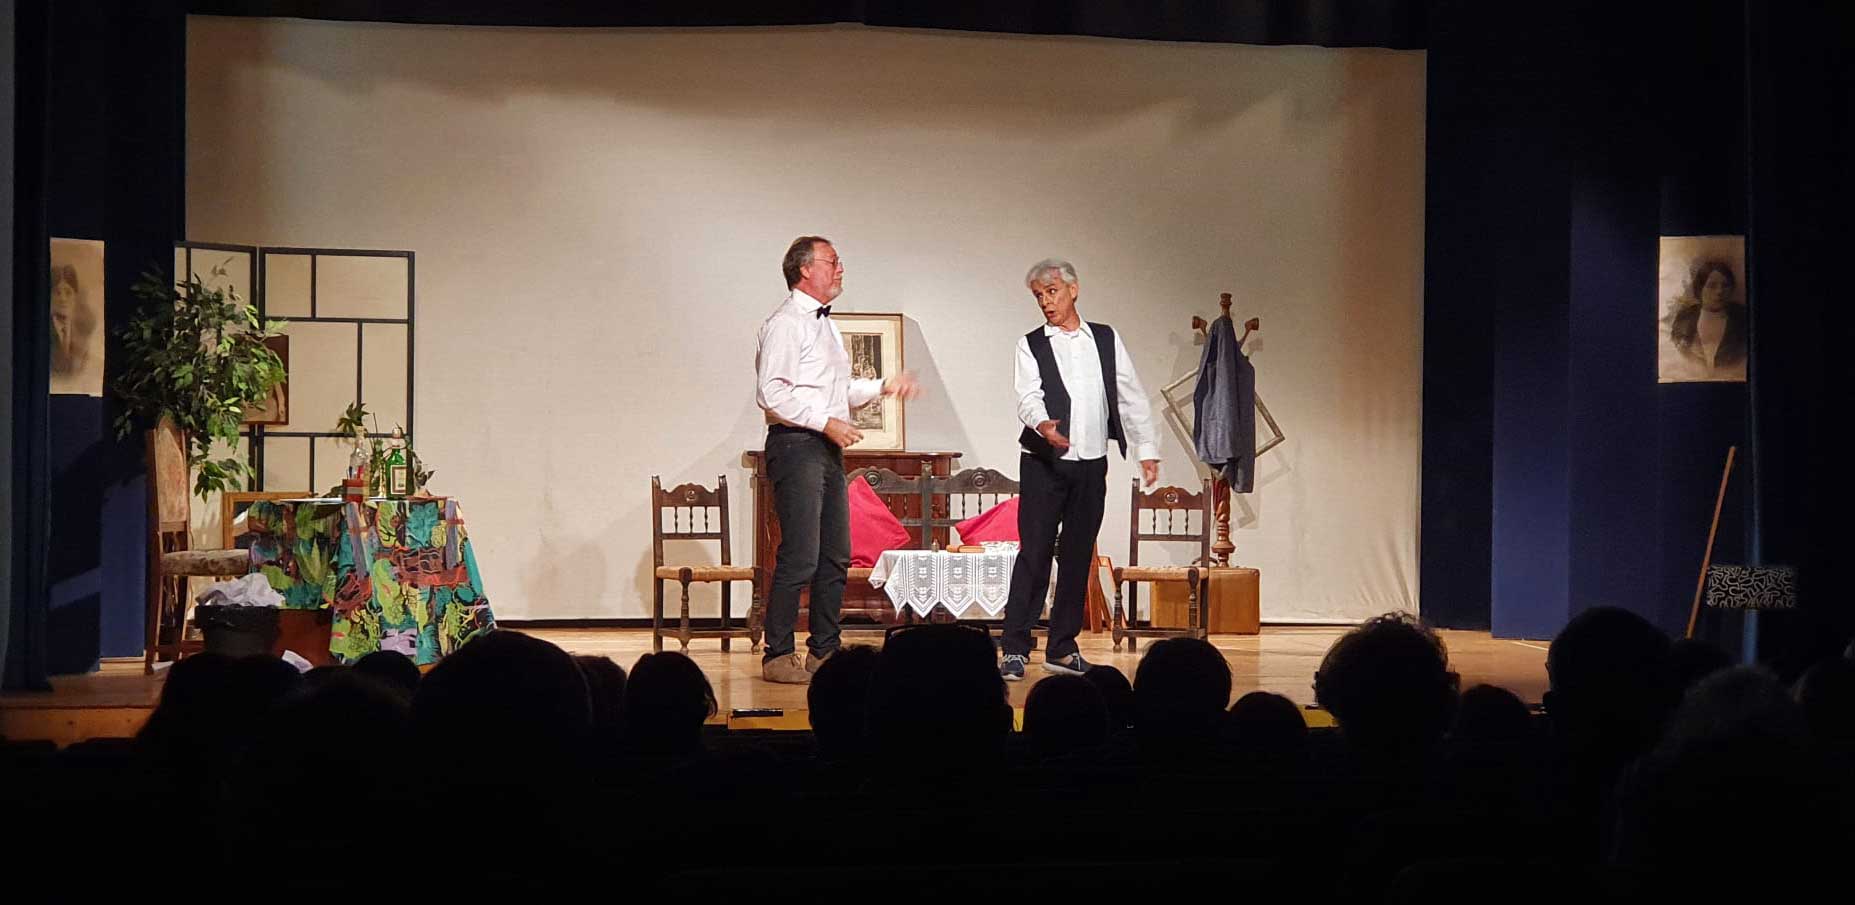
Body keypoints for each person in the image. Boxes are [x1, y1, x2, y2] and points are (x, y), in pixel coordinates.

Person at [755, 236, 919, 683]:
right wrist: (825, 423)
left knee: (836, 556)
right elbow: (772, 393)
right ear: (805, 270)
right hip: (795, 444)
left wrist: (883, 386)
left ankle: (824, 651)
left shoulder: (824, 325)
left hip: (824, 448)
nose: (841, 268)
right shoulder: (786, 323)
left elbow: (837, 391)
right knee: (800, 555)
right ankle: (777, 655)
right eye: (833, 261)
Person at [999, 258, 1160, 681]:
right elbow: (1028, 396)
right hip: (1044, 463)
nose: (1045, 302)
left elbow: (1130, 395)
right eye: (1039, 296)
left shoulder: (1105, 339)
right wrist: (1042, 424)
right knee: (1035, 553)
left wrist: (1146, 449)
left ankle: (1062, 649)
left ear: (1073, 290)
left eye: (1051, 292)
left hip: (1090, 464)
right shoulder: (1031, 344)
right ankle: (1014, 647)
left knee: (1076, 556)